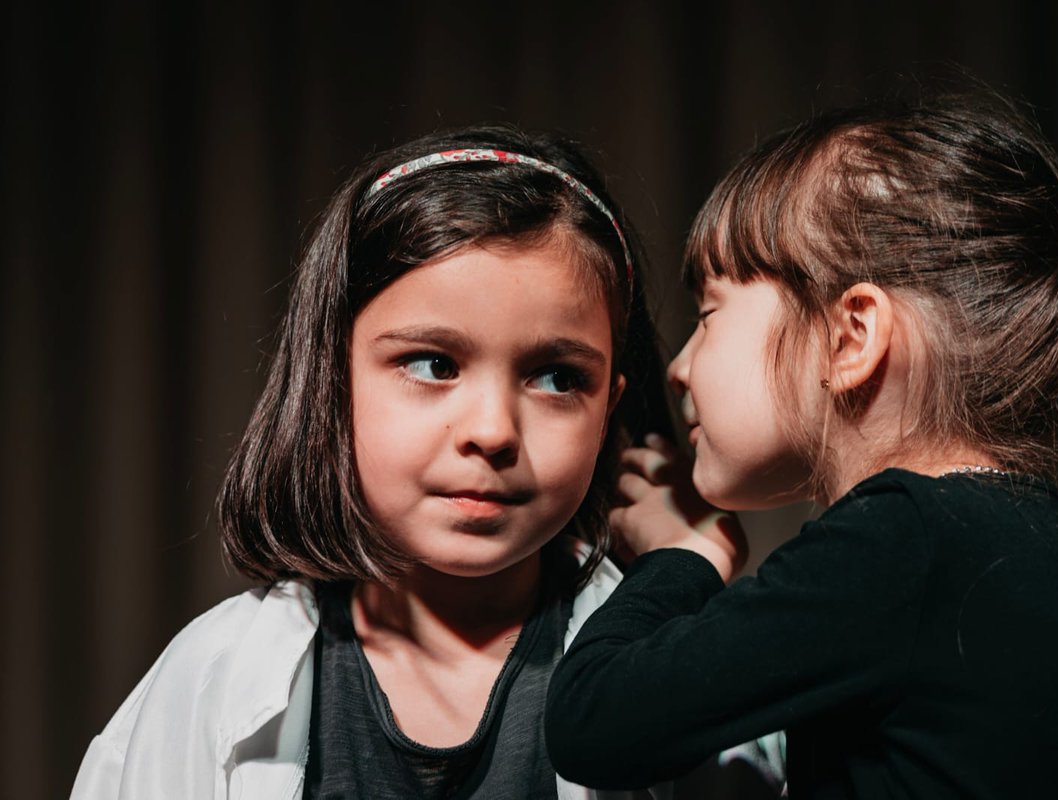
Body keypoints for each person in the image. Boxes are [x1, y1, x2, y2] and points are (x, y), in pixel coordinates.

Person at [546, 92, 1058, 799]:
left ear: (851, 337)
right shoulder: (1010, 550)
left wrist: (686, 553)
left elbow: (594, 721)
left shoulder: (902, 545)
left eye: (709, 314)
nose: (678, 366)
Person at [70, 123, 678, 799]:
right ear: (333, 380)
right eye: (432, 364)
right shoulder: (203, 687)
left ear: (608, 410)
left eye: (557, 378)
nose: (492, 430)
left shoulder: (679, 681)